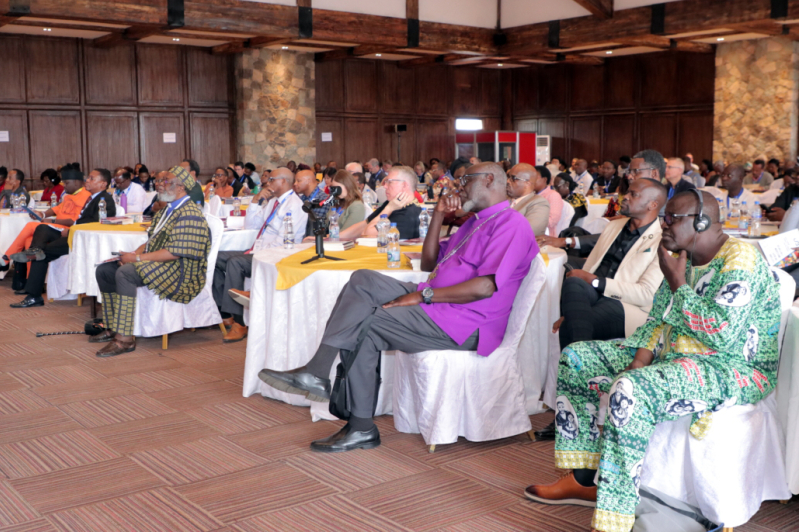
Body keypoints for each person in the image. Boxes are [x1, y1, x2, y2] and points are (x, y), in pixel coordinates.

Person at [524, 190, 781, 532]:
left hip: (732, 368)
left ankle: (617, 515)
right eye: (664, 218)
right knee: (578, 357)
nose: (664, 225)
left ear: (702, 222)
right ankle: (586, 478)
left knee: (632, 389)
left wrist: (677, 283)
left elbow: (720, 333)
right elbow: (656, 321)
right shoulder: (683, 256)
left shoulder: (741, 260)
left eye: (673, 218)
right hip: (674, 355)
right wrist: (637, 365)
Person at [259, 162, 538, 452]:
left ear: (489, 180)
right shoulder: (473, 221)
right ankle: (317, 373)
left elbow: (485, 287)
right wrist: (438, 215)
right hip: (440, 306)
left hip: (465, 322)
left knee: (364, 323)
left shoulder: (511, 223)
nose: (460, 185)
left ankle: (359, 425)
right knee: (363, 280)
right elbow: (430, 264)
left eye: (466, 179)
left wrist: (424, 295)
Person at [92, 166, 211, 357]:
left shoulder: (189, 213)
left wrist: (137, 259)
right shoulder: (168, 209)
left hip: (180, 270)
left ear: (181, 188)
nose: (161, 186)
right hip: (163, 261)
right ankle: (113, 326)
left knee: (126, 273)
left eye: (166, 182)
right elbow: (153, 239)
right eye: (161, 182)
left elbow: (176, 252)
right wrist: (133, 253)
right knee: (105, 270)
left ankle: (124, 339)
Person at [213, 168, 308, 343]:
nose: (268, 182)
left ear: (284, 182)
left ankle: (240, 323)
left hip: (275, 255)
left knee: (235, 263)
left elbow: (284, 241)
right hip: (258, 249)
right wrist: (256, 201)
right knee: (216, 258)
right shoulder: (274, 202)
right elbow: (252, 223)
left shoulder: (295, 205)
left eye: (272, 179)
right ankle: (225, 313)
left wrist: (260, 252)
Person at [10, 168, 115, 308]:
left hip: (83, 240)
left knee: (42, 254)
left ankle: (34, 295)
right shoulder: (91, 198)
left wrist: (73, 228)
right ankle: (34, 252)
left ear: (103, 184)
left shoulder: (104, 200)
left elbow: (97, 224)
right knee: (42, 228)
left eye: (91, 178)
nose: (87, 181)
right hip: (75, 234)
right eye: (88, 177)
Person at [339, 166, 421, 241]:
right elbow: (365, 224)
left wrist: (389, 209)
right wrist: (336, 238)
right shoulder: (393, 203)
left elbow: (367, 233)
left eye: (389, 182)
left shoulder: (408, 214)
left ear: (404, 185)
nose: (384, 186)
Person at [507, 163, 550, 236]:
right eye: (508, 177)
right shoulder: (503, 199)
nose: (508, 181)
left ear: (527, 183)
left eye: (513, 178)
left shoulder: (539, 202)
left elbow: (528, 231)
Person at [293, 168, 329, 238]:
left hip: (313, 237)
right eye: (295, 181)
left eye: (298, 181)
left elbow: (314, 223)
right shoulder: (302, 198)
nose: (295, 184)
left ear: (308, 181)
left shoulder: (322, 199)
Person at [530, 165, 562, 237]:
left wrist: (531, 223)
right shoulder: (530, 194)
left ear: (544, 179)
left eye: (535, 177)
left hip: (546, 236)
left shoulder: (553, 195)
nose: (531, 181)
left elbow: (552, 221)